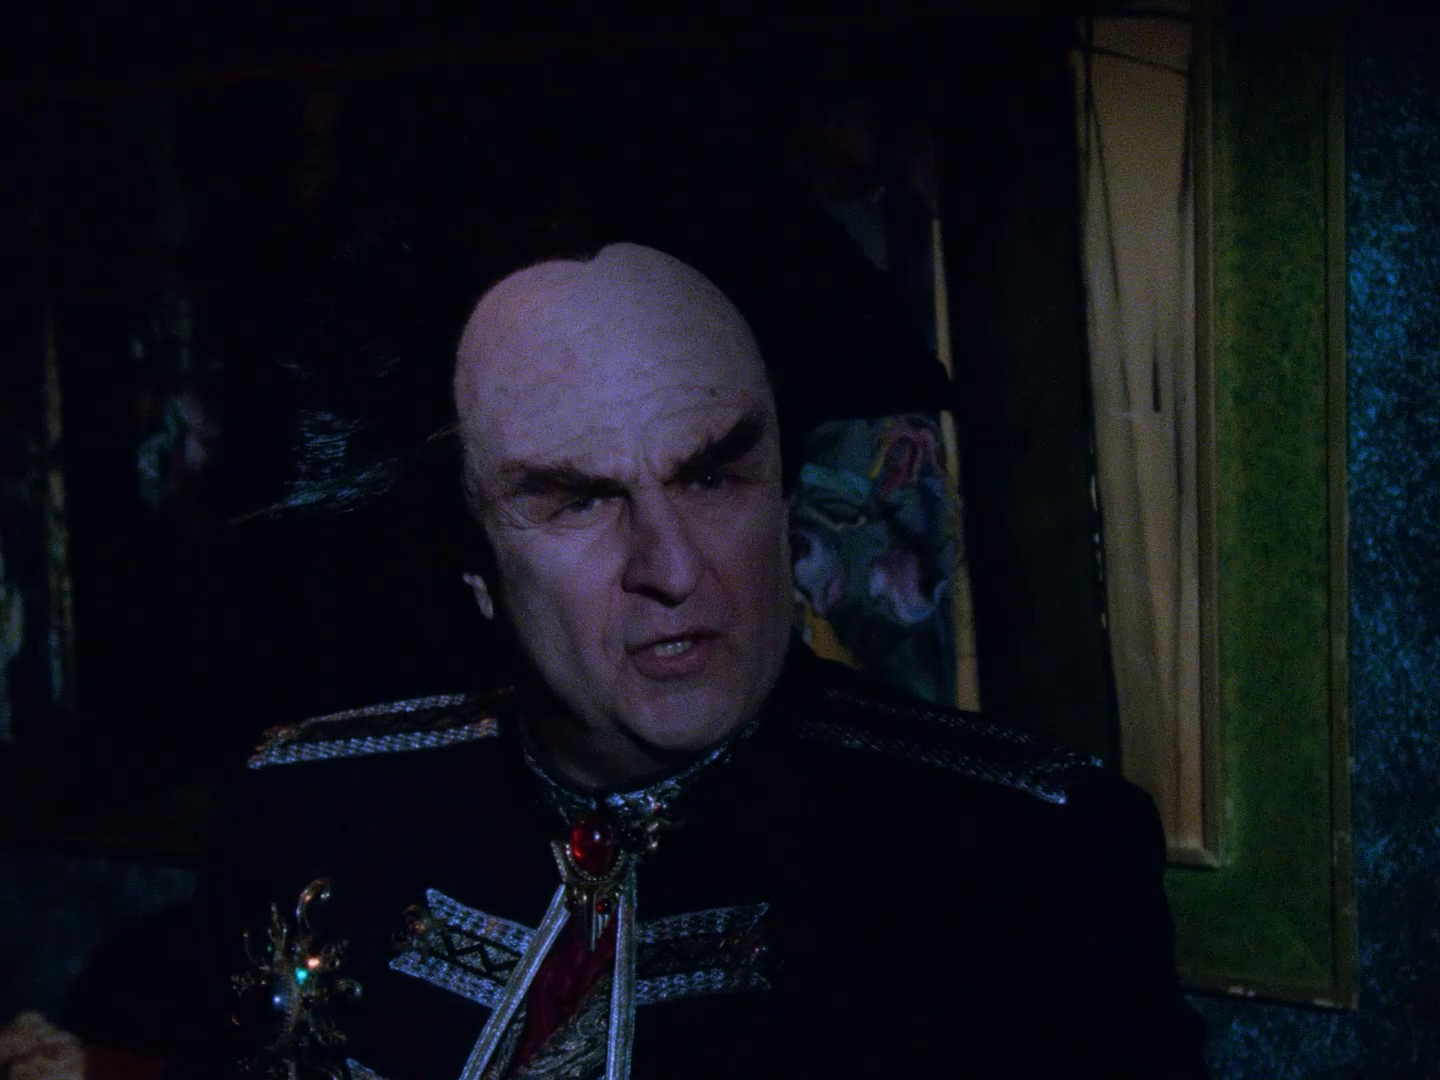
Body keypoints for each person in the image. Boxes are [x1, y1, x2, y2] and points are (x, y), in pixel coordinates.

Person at [185, 241, 1207, 1079]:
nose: (673, 570)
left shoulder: (1023, 862)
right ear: (475, 565)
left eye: (712, 477)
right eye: (579, 502)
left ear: (784, 494)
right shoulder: (311, 811)